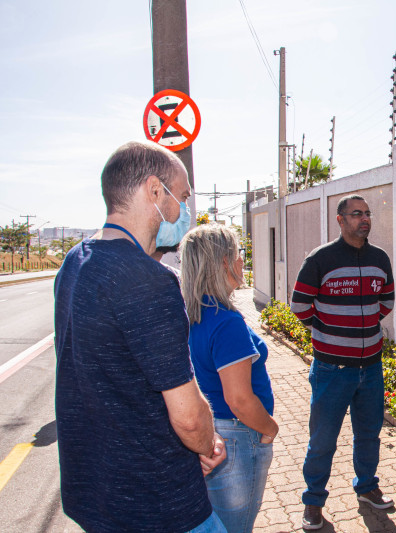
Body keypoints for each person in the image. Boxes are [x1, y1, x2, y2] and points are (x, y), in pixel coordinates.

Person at [53, 140, 227, 533]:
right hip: (159, 503)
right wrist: (208, 442)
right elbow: (187, 417)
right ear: (154, 192)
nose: (184, 211)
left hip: (95, 495)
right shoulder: (150, 280)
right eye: (181, 197)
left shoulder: (74, 261)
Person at [290, 194, 395, 530]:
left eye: (367, 214)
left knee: (369, 433)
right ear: (340, 219)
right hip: (332, 369)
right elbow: (300, 306)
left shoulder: (379, 258)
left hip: (371, 367)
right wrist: (329, 330)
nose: (364, 219)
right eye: (356, 214)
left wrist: (361, 328)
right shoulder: (320, 259)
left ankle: (367, 488)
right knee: (322, 439)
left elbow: (387, 301)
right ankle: (313, 502)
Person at [181, 224, 280, 533]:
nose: (242, 262)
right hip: (237, 437)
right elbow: (239, 400)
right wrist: (269, 428)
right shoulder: (227, 322)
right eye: (238, 254)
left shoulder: (194, 314)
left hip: (214, 436)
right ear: (223, 262)